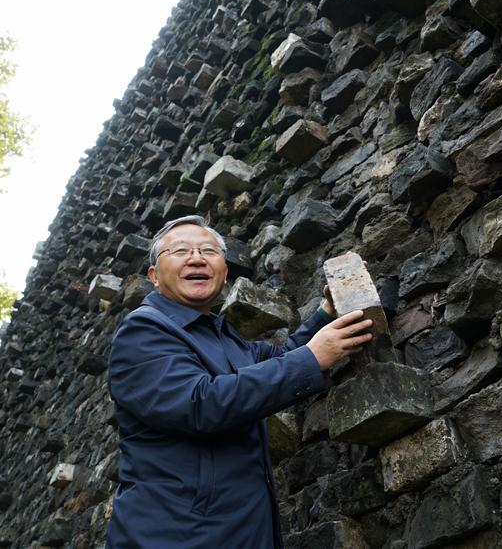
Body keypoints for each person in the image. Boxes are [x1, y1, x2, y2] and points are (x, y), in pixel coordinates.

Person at [105, 215, 372, 548]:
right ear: (154, 277)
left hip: (242, 532)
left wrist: (325, 312)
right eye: (181, 251)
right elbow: (200, 404)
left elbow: (284, 357)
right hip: (176, 536)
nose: (197, 257)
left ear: (225, 271)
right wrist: (312, 358)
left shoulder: (222, 338)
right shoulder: (142, 331)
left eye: (208, 250)